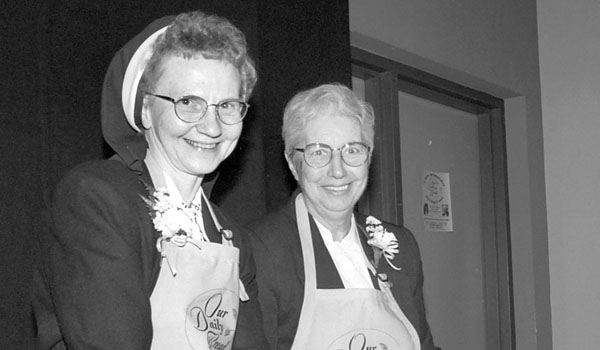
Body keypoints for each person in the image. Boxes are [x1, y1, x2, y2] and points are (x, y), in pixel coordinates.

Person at [32, 10, 266, 349]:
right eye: (188, 102)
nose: (212, 127)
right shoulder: (96, 199)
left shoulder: (233, 239)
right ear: (145, 110)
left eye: (227, 105)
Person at [249, 83, 440, 350]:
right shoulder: (262, 249)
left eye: (352, 150)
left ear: (369, 157)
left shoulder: (401, 245)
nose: (338, 171)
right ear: (293, 163)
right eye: (319, 152)